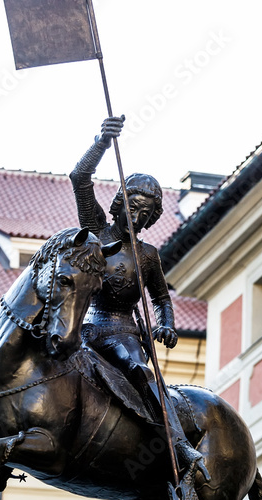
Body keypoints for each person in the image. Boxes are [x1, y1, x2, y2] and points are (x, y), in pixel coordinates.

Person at [70, 115, 204, 474]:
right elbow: (80, 178)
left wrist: (167, 324)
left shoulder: (147, 255)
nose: (137, 216)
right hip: (85, 327)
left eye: (146, 213)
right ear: (119, 204)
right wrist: (102, 141)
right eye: (133, 207)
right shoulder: (96, 229)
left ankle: (178, 443)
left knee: (141, 372)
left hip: (123, 333)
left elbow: (161, 298)